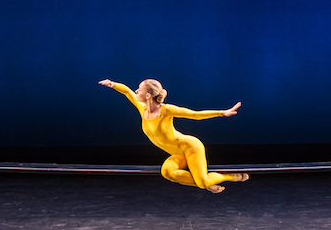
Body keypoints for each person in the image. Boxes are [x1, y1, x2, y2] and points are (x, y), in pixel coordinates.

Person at [99, 78, 249, 193]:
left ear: (149, 95)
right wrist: (112, 84)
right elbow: (127, 91)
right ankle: (205, 182)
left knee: (203, 182)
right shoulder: (142, 108)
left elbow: (194, 115)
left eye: (139, 89)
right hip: (177, 153)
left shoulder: (166, 110)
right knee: (167, 172)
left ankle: (229, 177)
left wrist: (222, 113)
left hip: (190, 147)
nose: (136, 91)